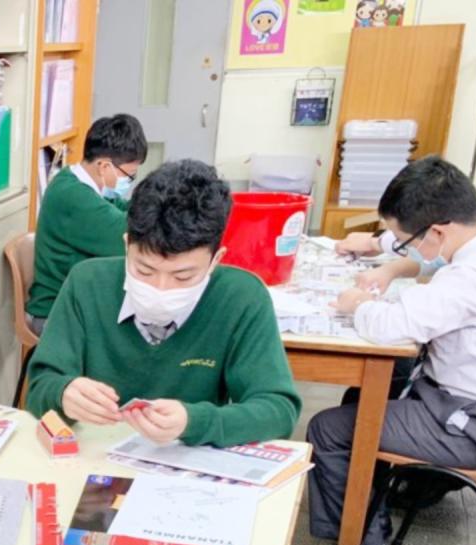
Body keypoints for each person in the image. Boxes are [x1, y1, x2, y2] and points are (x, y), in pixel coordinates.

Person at [309, 156, 476, 545]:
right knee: (366, 392)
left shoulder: (473, 275)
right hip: (463, 399)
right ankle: (369, 506)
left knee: (328, 430)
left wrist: (358, 305)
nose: (406, 249)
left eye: (406, 241)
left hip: (472, 424)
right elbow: (427, 264)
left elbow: (392, 325)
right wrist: (392, 262)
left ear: (438, 231)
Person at [25, 159, 300, 447]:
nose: (160, 289)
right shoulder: (87, 283)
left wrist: (194, 421)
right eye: (144, 270)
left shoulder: (241, 297)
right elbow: (41, 387)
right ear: (126, 245)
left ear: (215, 260)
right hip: (92, 456)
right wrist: (63, 394)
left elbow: (278, 411)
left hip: (189, 462)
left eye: (183, 276)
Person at [24, 114, 149, 333]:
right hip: (55, 313)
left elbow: (124, 209)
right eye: (129, 175)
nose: (129, 182)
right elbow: (129, 236)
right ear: (104, 166)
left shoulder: (80, 183)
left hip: (78, 303)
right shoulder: (73, 196)